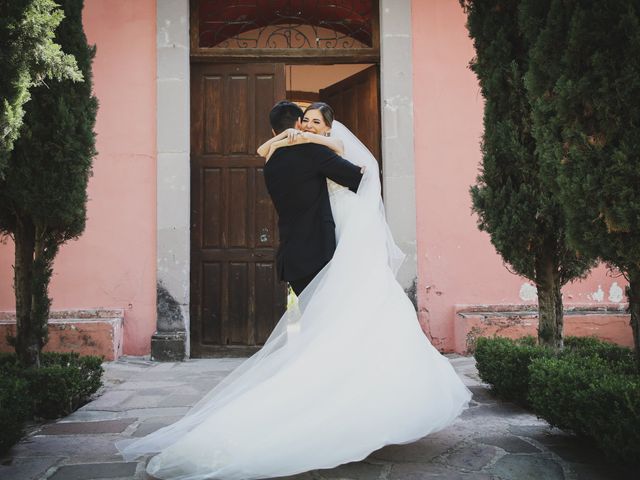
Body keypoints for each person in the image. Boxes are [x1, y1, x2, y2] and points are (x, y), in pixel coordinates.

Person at [116, 101, 471, 480]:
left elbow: (280, 160)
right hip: (324, 256)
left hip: (295, 258)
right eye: (307, 122)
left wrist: (294, 140)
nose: (311, 127)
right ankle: (321, 412)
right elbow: (361, 177)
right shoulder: (314, 152)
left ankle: (336, 408)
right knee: (331, 335)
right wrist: (332, 144)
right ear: (298, 127)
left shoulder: (273, 161)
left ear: (275, 131)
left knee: (321, 334)